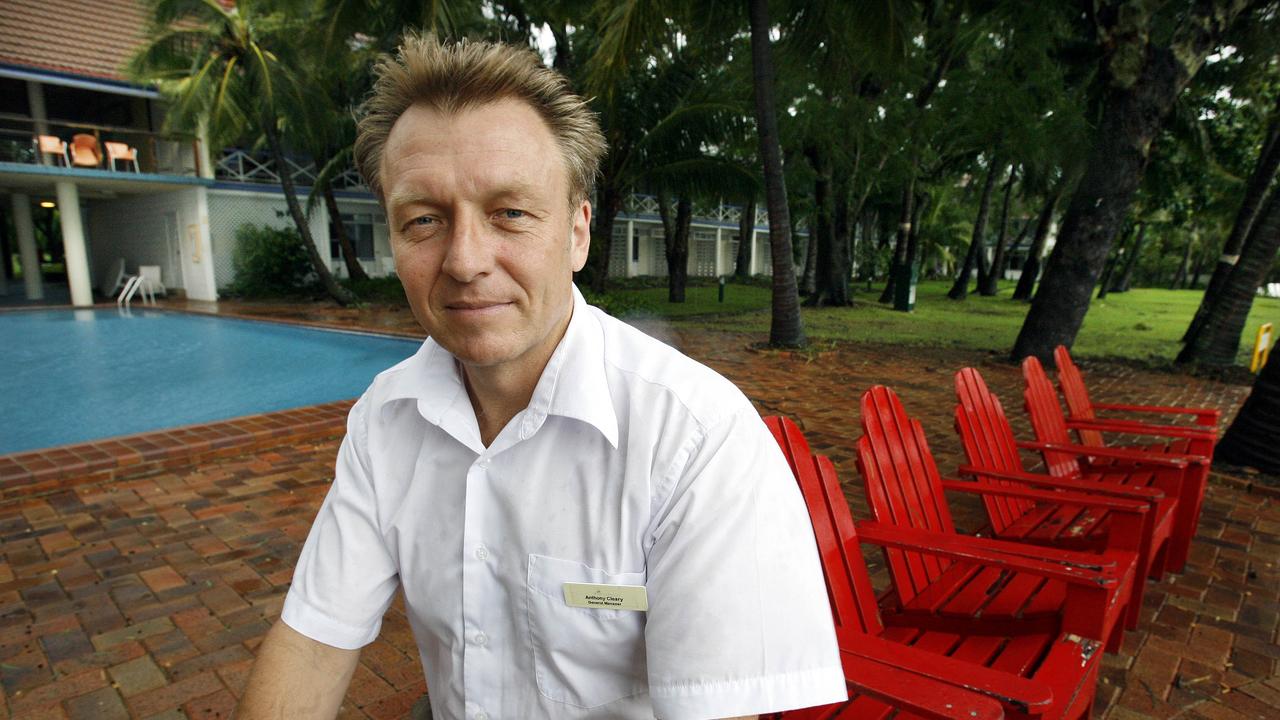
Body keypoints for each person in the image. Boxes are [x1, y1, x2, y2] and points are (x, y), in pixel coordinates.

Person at [236, 34, 843, 720]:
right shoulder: (386, 419)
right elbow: (314, 643)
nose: (465, 260)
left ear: (579, 232)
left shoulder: (695, 440)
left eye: (511, 213)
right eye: (425, 220)